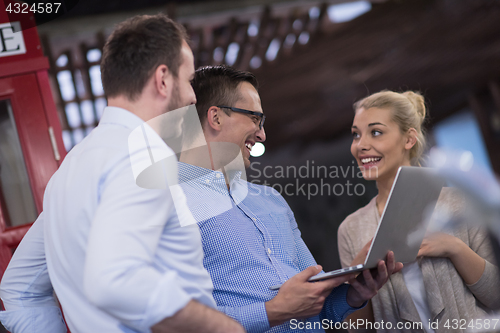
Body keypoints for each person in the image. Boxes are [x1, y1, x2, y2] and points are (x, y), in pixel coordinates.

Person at [0, 14, 243, 333]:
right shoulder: (144, 156)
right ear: (163, 80)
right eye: (187, 81)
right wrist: (223, 328)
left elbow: (19, 287)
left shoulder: (71, 168)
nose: (192, 96)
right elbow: (114, 278)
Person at [177, 65, 402, 333]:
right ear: (216, 118)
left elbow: (319, 308)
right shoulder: (174, 207)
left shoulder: (271, 200)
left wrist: (354, 293)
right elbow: (180, 320)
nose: (262, 134)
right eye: (254, 119)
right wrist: (272, 312)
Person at [337, 90, 500, 332]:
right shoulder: (350, 229)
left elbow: (496, 296)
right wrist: (356, 288)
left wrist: (452, 247)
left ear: (409, 139)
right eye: (356, 135)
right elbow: (357, 328)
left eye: (376, 132)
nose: (361, 145)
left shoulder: (459, 202)